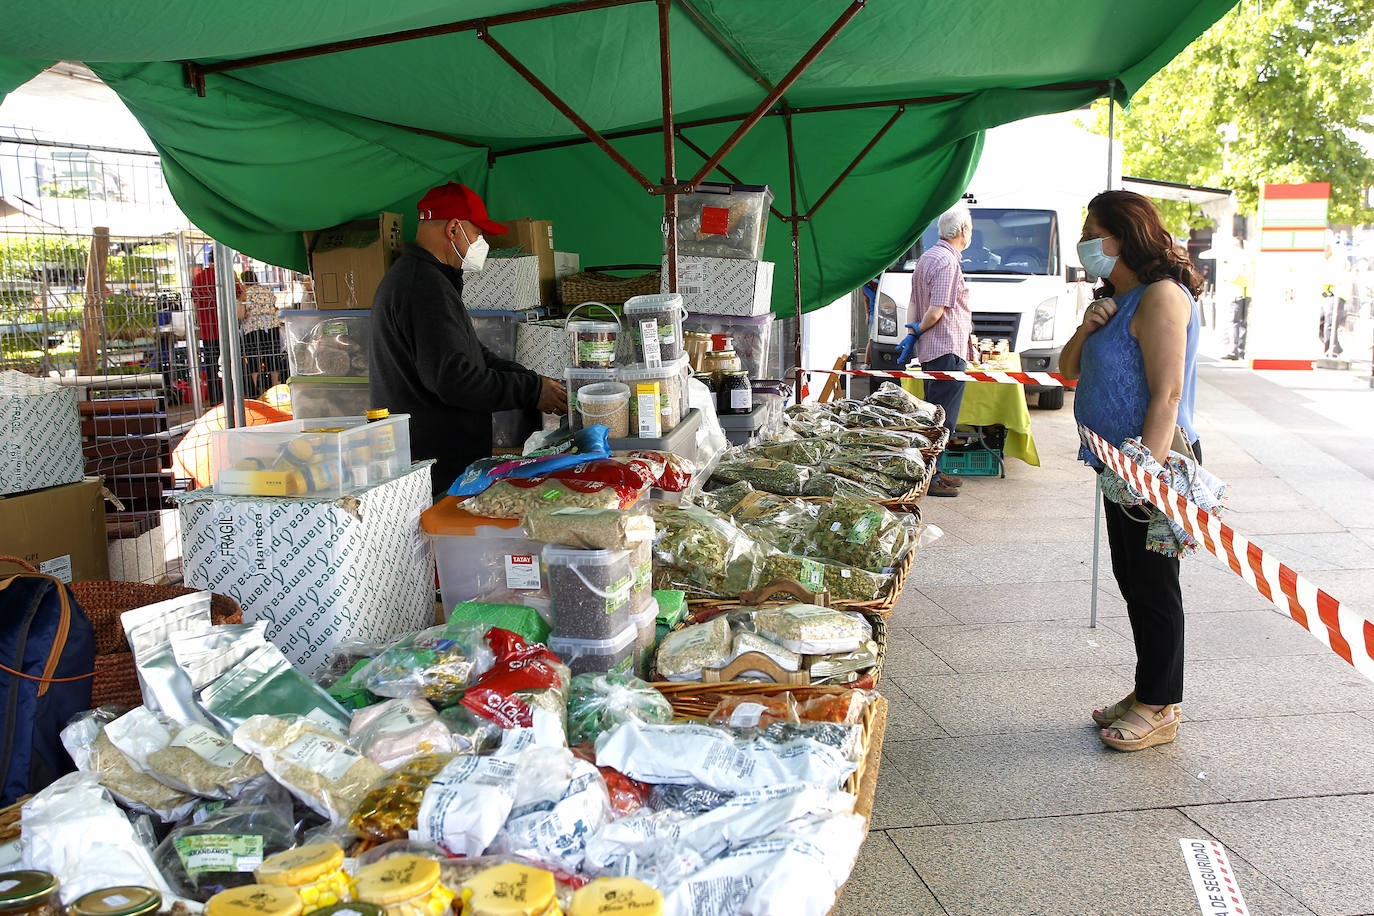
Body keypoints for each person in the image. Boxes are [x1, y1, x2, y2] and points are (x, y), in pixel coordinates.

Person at [1060, 190, 1203, 752]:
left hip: (1153, 465)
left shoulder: (1162, 297)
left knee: (1155, 588)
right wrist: (1087, 326)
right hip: (1116, 466)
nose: (1085, 240)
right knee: (1133, 580)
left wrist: (1148, 474)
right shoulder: (1116, 300)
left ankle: (1162, 704)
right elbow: (1068, 369)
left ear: (1120, 236)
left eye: (1092, 228)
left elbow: (1167, 394)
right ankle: (1148, 690)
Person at [370, 182, 567, 499]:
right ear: (453, 230)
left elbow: (474, 355)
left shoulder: (424, 278)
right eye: (478, 235)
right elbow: (456, 381)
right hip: (436, 472)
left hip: (437, 464)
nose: (482, 244)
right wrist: (532, 390)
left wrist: (534, 382)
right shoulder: (423, 286)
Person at [906, 202, 976, 498]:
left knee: (936, 412)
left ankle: (934, 471)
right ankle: (930, 477)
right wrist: (919, 329)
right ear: (962, 230)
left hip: (932, 349)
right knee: (944, 418)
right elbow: (935, 311)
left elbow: (913, 304)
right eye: (970, 228)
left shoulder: (927, 257)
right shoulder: (947, 262)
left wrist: (911, 333)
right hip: (947, 348)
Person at [190, 250, 242, 405]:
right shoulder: (227, 275)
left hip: (207, 328)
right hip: (226, 327)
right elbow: (239, 293)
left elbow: (194, 299)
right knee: (231, 362)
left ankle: (215, 399)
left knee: (212, 364)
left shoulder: (199, 277)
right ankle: (233, 396)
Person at [237, 269, 284, 397]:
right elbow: (274, 306)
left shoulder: (246, 294)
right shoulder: (267, 291)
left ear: (244, 281)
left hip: (253, 329)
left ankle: (254, 393)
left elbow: (241, 314)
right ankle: (275, 391)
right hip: (272, 327)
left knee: (254, 360)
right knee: (272, 358)